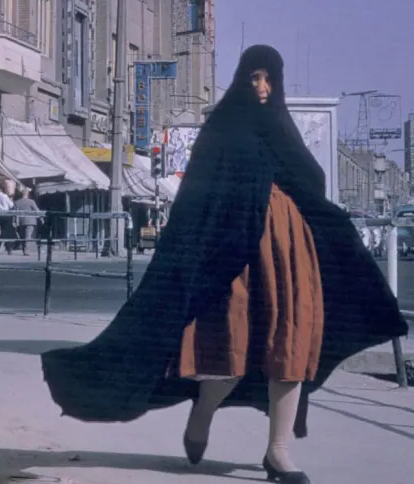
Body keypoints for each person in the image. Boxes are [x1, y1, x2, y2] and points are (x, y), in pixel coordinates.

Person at [40, 46, 408, 484]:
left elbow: (312, 182)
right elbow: (198, 197)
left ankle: (278, 451)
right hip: (235, 258)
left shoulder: (282, 128)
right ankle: (203, 412)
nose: (263, 87)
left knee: (291, 344)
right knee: (233, 349)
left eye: (269, 78)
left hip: (291, 253)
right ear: (241, 80)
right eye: (254, 77)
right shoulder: (223, 128)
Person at [14, 187, 42, 255]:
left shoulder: (17, 202)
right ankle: (26, 250)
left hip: (21, 221)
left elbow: (15, 213)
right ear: (27, 194)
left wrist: (15, 221)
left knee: (23, 236)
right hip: (30, 221)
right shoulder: (31, 201)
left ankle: (24, 249)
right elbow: (37, 210)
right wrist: (41, 218)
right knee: (28, 236)